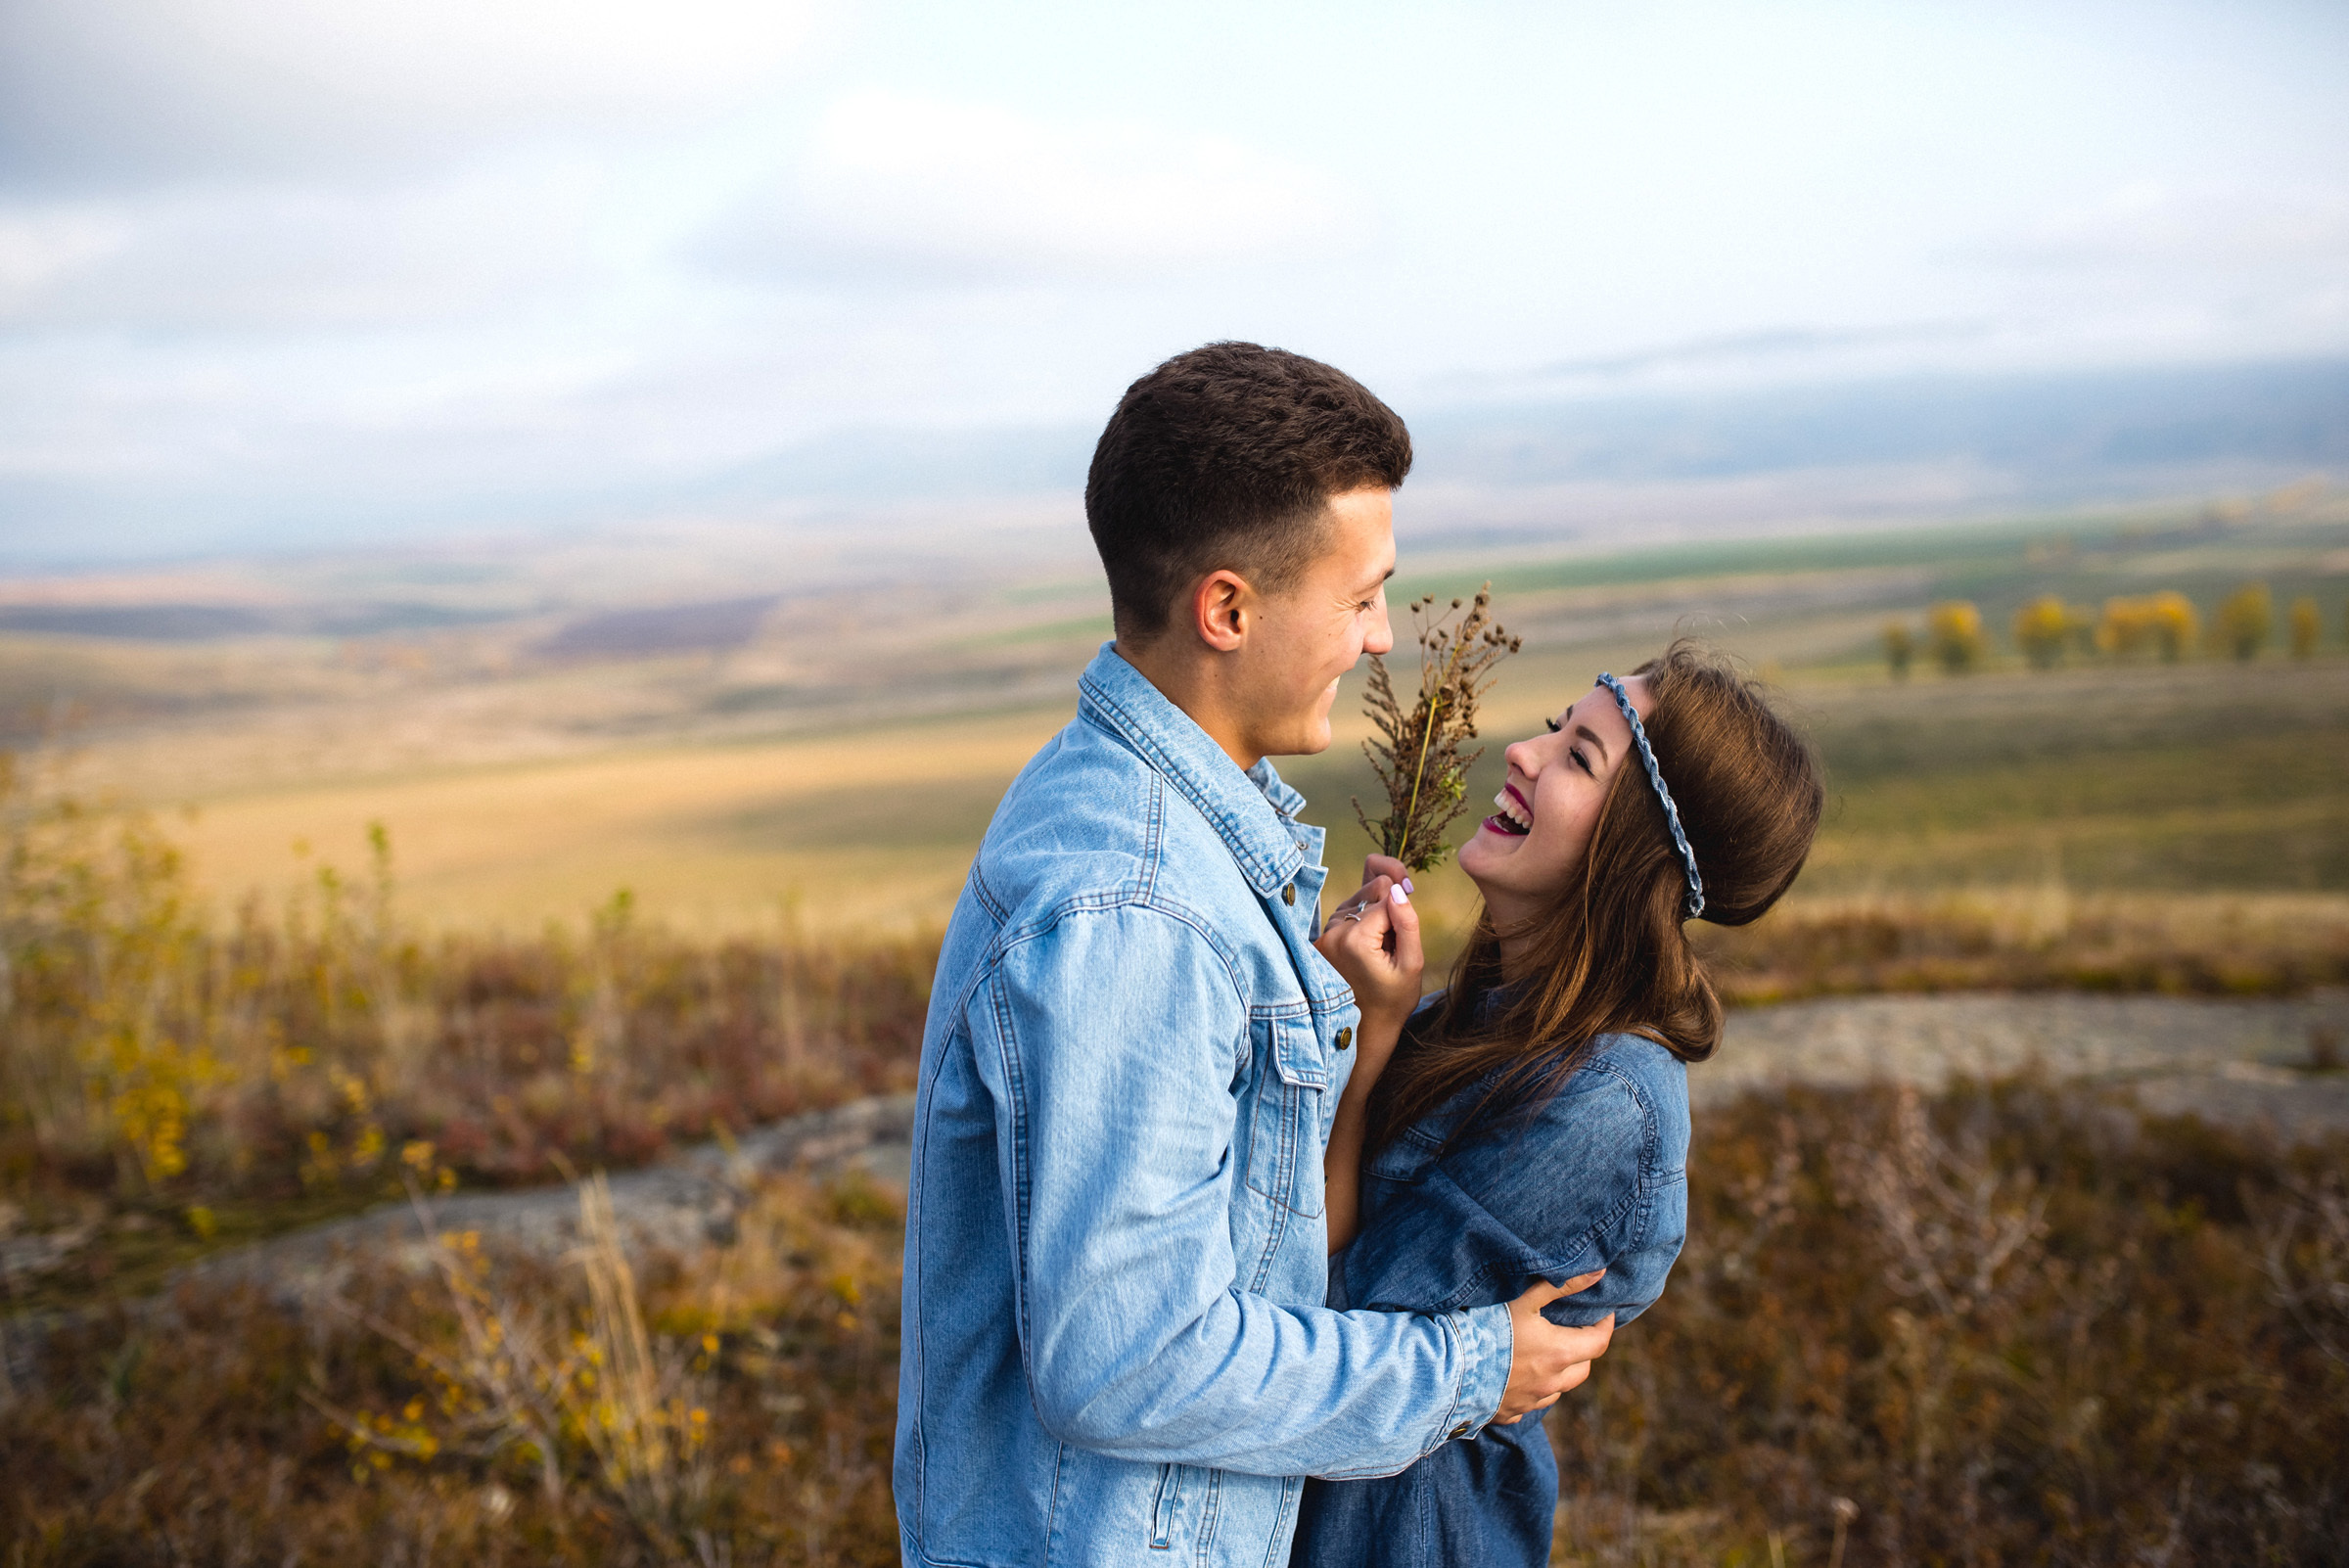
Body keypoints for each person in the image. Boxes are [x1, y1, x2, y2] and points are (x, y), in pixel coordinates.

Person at [894, 343, 1620, 1568]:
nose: (1384, 636)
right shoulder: (1136, 910)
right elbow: (1131, 1357)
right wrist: (1468, 1366)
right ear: (1227, 609)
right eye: (1360, 596)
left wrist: (1357, 1023)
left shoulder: (1169, 841)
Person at [1293, 641, 1824, 1568]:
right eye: (1554, 730)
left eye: (1579, 757)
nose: (1523, 755)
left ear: (1635, 854)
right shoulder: (1478, 1019)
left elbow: (1334, 1337)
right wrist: (1356, 1021)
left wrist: (1363, 1044)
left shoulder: (1606, 1104)